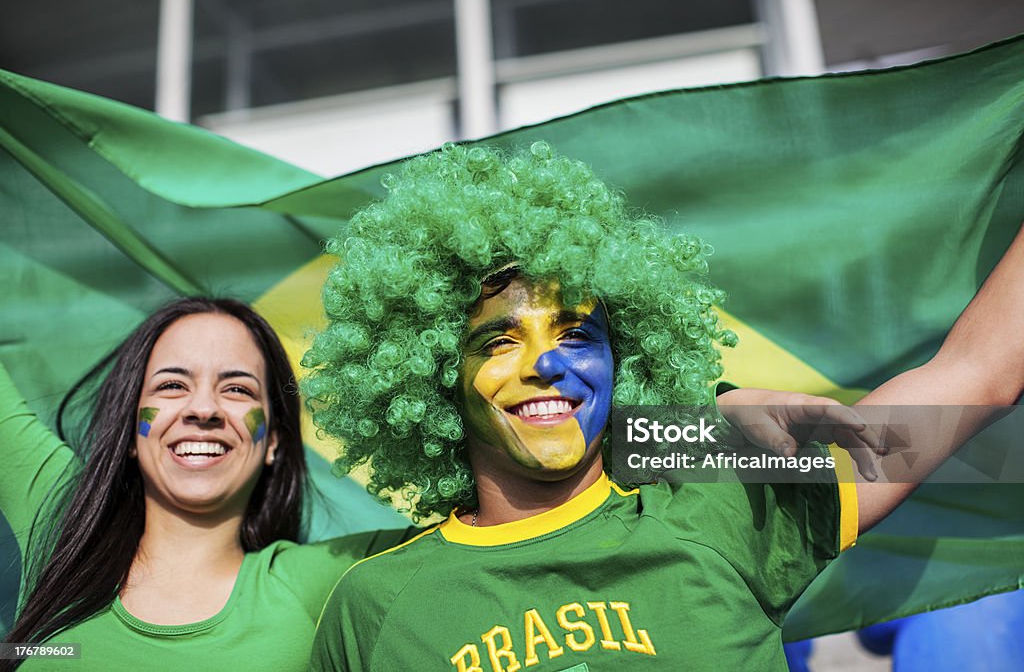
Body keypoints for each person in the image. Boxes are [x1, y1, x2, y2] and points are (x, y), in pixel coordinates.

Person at [303, 142, 1024, 670]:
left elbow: (980, 371)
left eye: (577, 334)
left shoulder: (726, 508)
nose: (547, 363)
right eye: (499, 340)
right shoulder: (374, 607)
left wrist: (700, 428)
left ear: (625, 361)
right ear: (436, 378)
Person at [0, 298, 416, 671]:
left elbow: (477, 531)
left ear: (273, 440)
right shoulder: (64, 522)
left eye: (237, 389)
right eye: (172, 385)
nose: (203, 408)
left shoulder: (326, 578)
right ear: (129, 432)